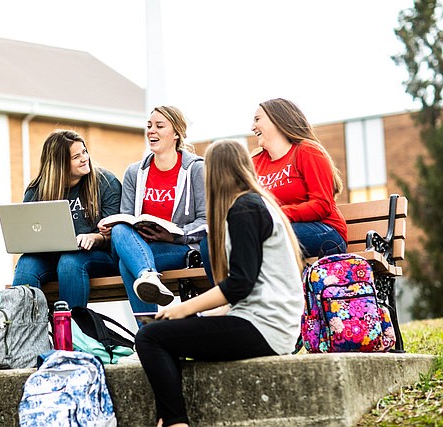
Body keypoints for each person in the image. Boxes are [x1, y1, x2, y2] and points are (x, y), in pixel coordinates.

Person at [135, 139, 305, 427]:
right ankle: (170, 417)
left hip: (265, 328)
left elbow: (240, 284)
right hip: (270, 325)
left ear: (215, 173)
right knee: (165, 334)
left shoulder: (245, 209)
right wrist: (199, 315)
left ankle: (176, 423)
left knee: (150, 338)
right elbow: (247, 289)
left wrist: (183, 309)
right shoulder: (256, 203)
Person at [98, 106, 206, 314]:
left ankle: (147, 333)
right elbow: (126, 217)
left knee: (127, 265)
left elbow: (206, 220)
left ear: (176, 133)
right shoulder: (134, 172)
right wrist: (111, 226)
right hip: (142, 247)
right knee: (121, 230)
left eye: (159, 126)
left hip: (181, 247)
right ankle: (148, 276)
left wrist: (175, 235)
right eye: (149, 126)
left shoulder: (195, 169)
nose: (151, 131)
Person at [12, 130, 121, 308]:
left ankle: (72, 331)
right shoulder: (37, 190)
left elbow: (116, 234)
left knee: (69, 261)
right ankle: (25, 333)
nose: (84, 158)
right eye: (76, 156)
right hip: (50, 257)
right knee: (26, 265)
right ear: (59, 164)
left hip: (97, 256)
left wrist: (94, 238)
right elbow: (29, 234)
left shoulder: (105, 182)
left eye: (84, 152)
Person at [251, 98, 347, 258]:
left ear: (277, 119)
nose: (252, 127)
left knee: (266, 238)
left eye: (257, 119)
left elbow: (322, 205)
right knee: (216, 245)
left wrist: (278, 214)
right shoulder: (255, 163)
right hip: (274, 229)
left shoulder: (307, 151)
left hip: (325, 231)